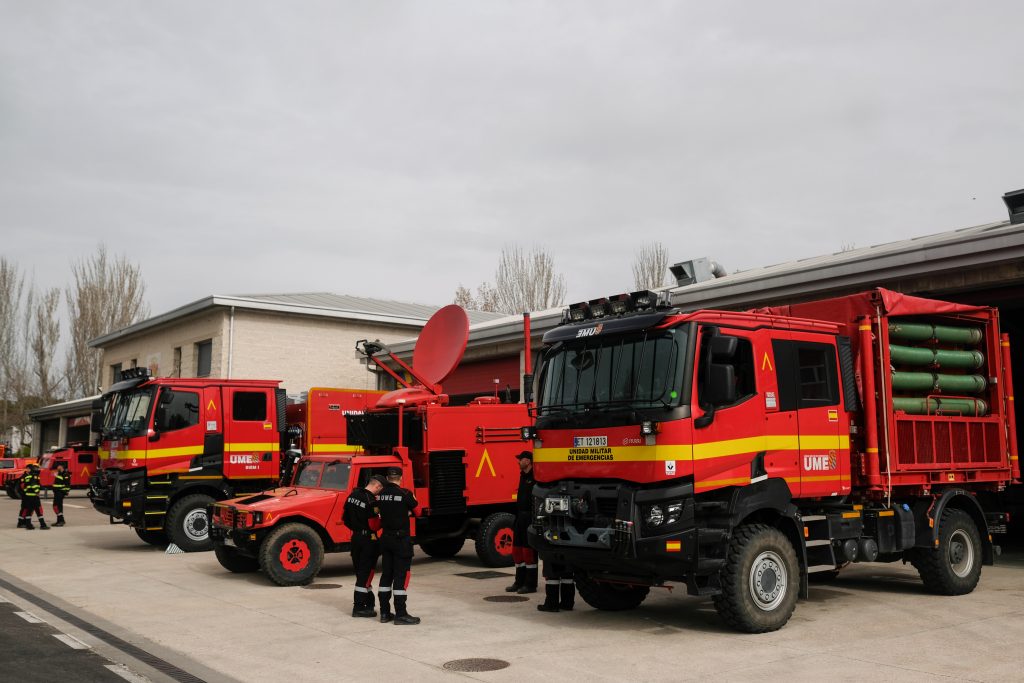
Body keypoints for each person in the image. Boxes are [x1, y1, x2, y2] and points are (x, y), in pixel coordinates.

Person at [376, 467, 420, 625]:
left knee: (386, 574)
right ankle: (401, 613)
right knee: (401, 576)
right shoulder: (405, 494)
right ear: (400, 478)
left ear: (387, 478)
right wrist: (406, 512)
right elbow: (418, 511)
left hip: (386, 539)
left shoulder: (379, 495)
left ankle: (384, 613)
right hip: (401, 541)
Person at [342, 474, 386, 617]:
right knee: (365, 574)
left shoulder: (352, 495)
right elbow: (374, 524)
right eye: (381, 489)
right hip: (368, 539)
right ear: (377, 486)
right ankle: (359, 607)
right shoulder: (371, 501)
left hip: (356, 538)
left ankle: (368, 601)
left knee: (360, 572)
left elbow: (345, 519)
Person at [506, 450, 538, 594]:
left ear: (528, 461)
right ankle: (519, 582)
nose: (518, 462)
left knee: (528, 552)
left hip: (530, 518)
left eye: (521, 459)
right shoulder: (523, 476)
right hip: (520, 517)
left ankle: (530, 585)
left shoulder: (536, 477)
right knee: (517, 551)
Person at [18, 463, 48, 530]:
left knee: (29, 510)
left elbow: (35, 484)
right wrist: (37, 491)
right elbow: (27, 485)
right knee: (29, 509)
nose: (37, 469)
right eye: (36, 468)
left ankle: (27, 524)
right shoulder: (30, 476)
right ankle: (21, 523)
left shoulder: (31, 475)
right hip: (30, 496)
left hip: (29, 495)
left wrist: (42, 488)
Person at [52, 462, 71, 527]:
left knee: (57, 506)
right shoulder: (59, 474)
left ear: (61, 467)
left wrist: (66, 491)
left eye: (58, 466)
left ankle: (61, 521)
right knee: (56, 507)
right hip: (57, 492)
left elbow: (67, 484)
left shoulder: (65, 474)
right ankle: (59, 520)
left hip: (60, 492)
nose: (57, 467)